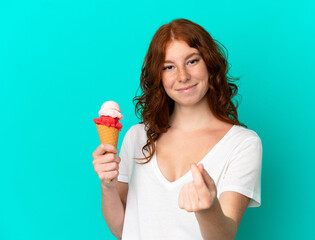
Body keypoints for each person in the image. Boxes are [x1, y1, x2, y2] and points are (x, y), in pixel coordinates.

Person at [92, 18, 262, 240]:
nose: (183, 76)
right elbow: (123, 229)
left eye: (192, 61)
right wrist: (108, 186)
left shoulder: (243, 144)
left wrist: (207, 209)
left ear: (210, 65)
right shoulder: (137, 137)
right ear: (159, 76)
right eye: (169, 67)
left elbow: (224, 236)